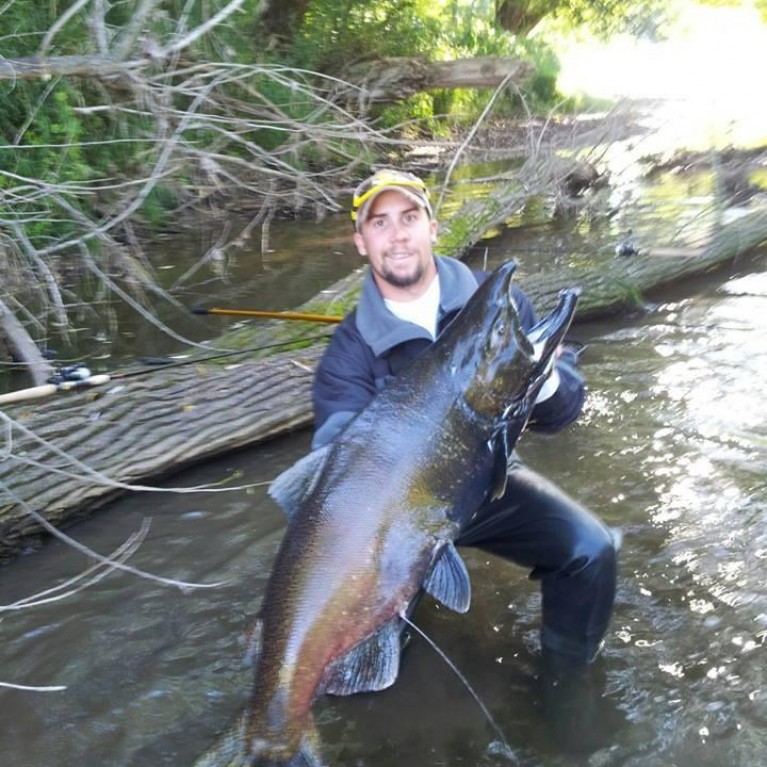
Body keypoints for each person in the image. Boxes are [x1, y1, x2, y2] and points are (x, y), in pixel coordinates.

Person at [311, 168, 618, 676]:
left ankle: (567, 687)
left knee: (592, 550)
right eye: (380, 223)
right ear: (361, 242)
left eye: (409, 217)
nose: (398, 234)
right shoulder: (347, 352)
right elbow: (330, 466)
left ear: (433, 228)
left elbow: (559, 417)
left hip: (486, 484)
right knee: (372, 650)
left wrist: (539, 377)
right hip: (393, 519)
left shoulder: (495, 303)